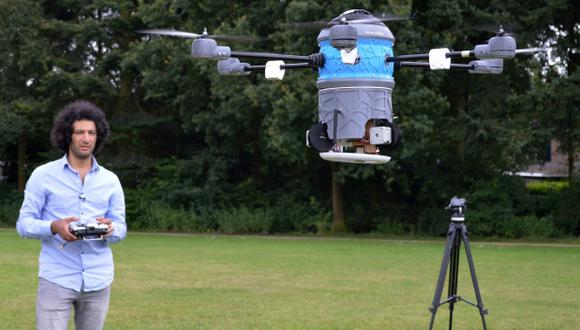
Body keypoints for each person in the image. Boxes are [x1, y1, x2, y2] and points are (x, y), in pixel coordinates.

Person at [16, 100, 126, 330]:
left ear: (98, 136)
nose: (86, 139)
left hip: (98, 280)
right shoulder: (43, 175)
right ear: (67, 135)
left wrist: (110, 229)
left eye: (91, 133)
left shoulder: (111, 180)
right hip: (57, 278)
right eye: (79, 132)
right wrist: (54, 227)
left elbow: (121, 228)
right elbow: (24, 224)